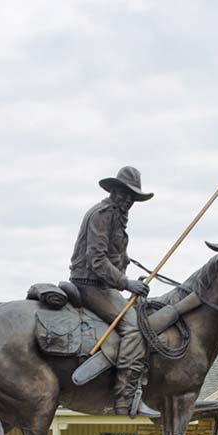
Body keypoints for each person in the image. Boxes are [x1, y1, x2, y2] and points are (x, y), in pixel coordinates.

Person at [69, 166, 157, 417]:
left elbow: (112, 254)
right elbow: (96, 260)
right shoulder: (103, 214)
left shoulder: (116, 217)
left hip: (105, 284)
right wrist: (126, 283)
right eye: (125, 194)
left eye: (133, 197)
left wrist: (129, 266)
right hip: (90, 285)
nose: (128, 200)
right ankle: (125, 397)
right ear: (114, 191)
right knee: (135, 329)